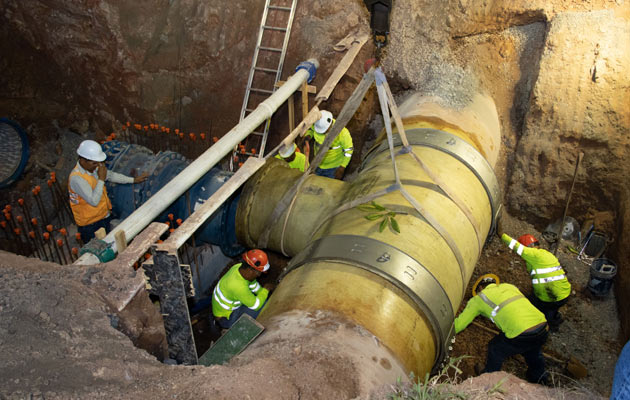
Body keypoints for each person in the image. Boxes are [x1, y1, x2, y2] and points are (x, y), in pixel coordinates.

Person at [454, 274, 549, 384]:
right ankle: (540, 379)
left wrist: (446, 330)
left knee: (495, 349)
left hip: (521, 333)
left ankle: (489, 380)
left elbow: (459, 325)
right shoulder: (509, 287)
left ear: (480, 288)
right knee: (533, 350)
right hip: (543, 326)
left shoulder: (479, 299)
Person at [68, 140, 147, 242]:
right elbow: (94, 201)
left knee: (109, 245)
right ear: (83, 160)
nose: (97, 166)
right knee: (98, 253)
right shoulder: (77, 179)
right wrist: (101, 179)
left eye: (98, 163)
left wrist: (134, 180)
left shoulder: (93, 168)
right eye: (94, 163)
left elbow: (111, 176)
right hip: (90, 225)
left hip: (104, 216)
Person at [499, 231, 571, 330]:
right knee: (543, 305)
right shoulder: (545, 254)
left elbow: (517, 247)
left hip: (552, 298)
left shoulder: (534, 254)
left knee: (540, 313)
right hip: (563, 293)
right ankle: (555, 316)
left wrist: (502, 235)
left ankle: (549, 326)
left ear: (528, 247)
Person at [212, 249, 275, 329]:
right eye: (258, 273)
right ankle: (232, 328)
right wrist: (266, 290)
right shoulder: (238, 286)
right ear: (250, 270)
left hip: (225, 309)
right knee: (264, 306)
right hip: (226, 319)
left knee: (263, 300)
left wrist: (261, 292)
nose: (259, 275)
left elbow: (253, 284)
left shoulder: (239, 268)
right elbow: (256, 305)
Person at [304, 110, 353, 179]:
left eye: (324, 131)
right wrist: (308, 135)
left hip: (333, 168)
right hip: (317, 163)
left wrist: (342, 167)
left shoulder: (342, 133)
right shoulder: (317, 124)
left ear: (330, 125)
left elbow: (348, 151)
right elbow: (311, 130)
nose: (322, 133)